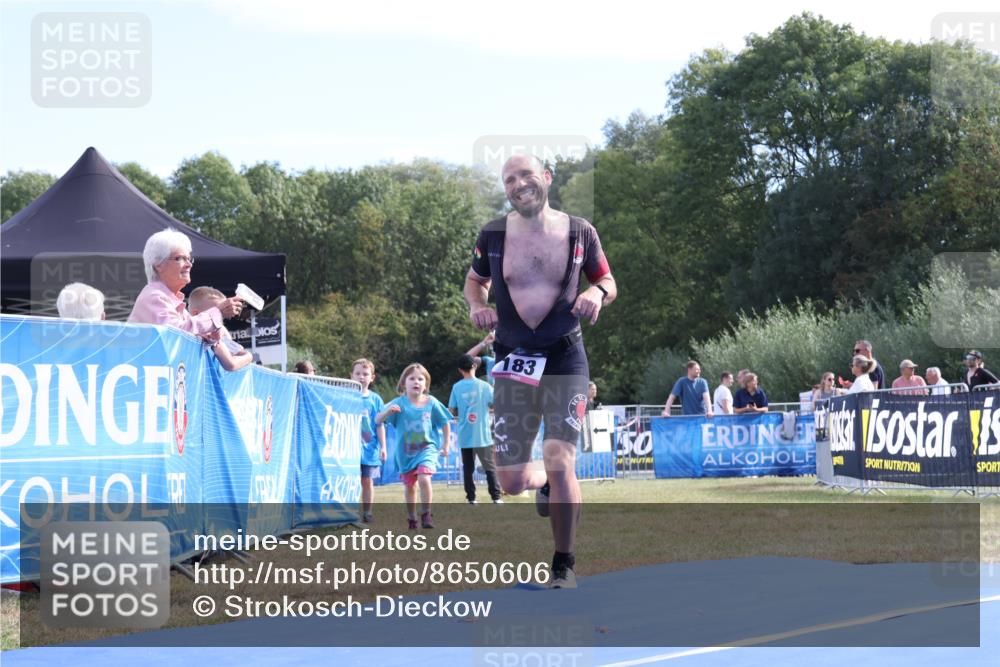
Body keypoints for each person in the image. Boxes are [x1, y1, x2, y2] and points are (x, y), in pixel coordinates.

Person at [463, 153, 616, 589]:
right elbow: (475, 281)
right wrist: (477, 305)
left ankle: (563, 563)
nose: (518, 183)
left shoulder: (580, 231)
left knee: (560, 458)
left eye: (526, 174)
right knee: (510, 481)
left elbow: (608, 280)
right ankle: (547, 478)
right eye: (510, 179)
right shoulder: (493, 234)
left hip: (565, 356)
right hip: (513, 360)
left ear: (547, 178)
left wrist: (596, 293)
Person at [375, 363, 451, 530]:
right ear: (404, 383)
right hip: (406, 453)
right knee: (410, 487)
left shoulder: (431, 402)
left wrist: (446, 444)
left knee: (424, 477)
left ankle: (427, 514)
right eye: (411, 378)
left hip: (427, 449)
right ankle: (411, 518)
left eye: (420, 378)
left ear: (426, 384)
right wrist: (388, 413)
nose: (416, 381)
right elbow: (378, 420)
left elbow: (445, 422)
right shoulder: (398, 403)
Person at [129, 229, 243, 336]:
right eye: (179, 258)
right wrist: (218, 312)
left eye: (189, 258)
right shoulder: (154, 297)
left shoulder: (173, 301)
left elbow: (194, 335)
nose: (189, 264)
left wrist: (213, 332)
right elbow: (179, 334)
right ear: (158, 265)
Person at [448, 354, 502, 505]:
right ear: (475, 366)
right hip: (483, 434)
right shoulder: (485, 386)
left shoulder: (456, 387)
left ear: (460, 370)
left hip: (465, 435)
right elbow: (495, 405)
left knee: (468, 469)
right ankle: (496, 497)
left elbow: (451, 410)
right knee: (490, 467)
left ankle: (471, 498)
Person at [352, 358, 387, 523]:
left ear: (372, 377)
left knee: (367, 480)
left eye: (365, 374)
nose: (361, 377)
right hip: (349, 448)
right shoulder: (346, 396)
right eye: (357, 373)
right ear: (351, 375)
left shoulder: (376, 400)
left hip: (370, 448)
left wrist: (383, 446)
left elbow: (379, 425)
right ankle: (349, 512)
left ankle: (367, 512)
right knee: (350, 479)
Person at [188, 286, 253, 372]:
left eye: (221, 316)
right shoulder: (213, 338)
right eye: (216, 313)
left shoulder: (219, 336)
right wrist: (249, 356)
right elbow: (231, 365)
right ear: (196, 314)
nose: (218, 319)